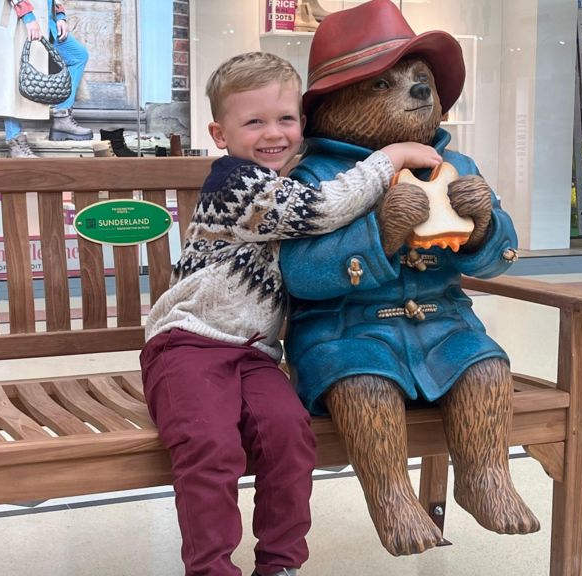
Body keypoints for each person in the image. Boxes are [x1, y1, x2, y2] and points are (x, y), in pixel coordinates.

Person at [140, 51, 441, 576]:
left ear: (302, 122)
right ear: (219, 133)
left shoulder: (291, 177)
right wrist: (387, 157)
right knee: (210, 447)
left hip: (255, 354)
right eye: (253, 121)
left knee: (289, 436)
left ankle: (280, 564)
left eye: (285, 119)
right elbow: (318, 211)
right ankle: (210, 569)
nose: (272, 133)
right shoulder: (234, 183)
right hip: (187, 345)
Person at [0, 0, 92, 158]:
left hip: (45, 17)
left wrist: (59, 14)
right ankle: (15, 142)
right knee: (11, 77)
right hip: (18, 16)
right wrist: (27, 16)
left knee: (77, 56)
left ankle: (62, 118)